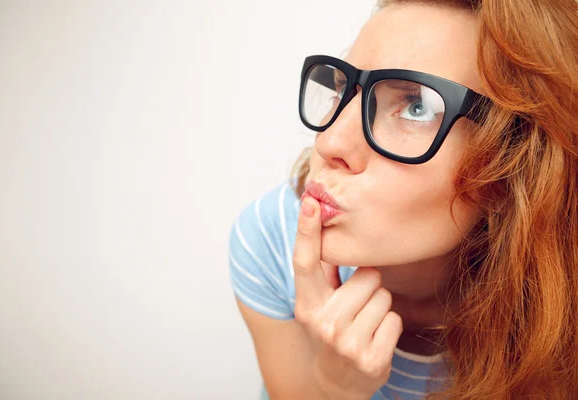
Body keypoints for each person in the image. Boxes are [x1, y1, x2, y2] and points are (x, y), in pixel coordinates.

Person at [228, 0, 578, 399]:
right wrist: (334, 389)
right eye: (343, 89)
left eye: (415, 107)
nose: (329, 143)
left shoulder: (561, 314)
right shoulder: (271, 240)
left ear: (510, 169)